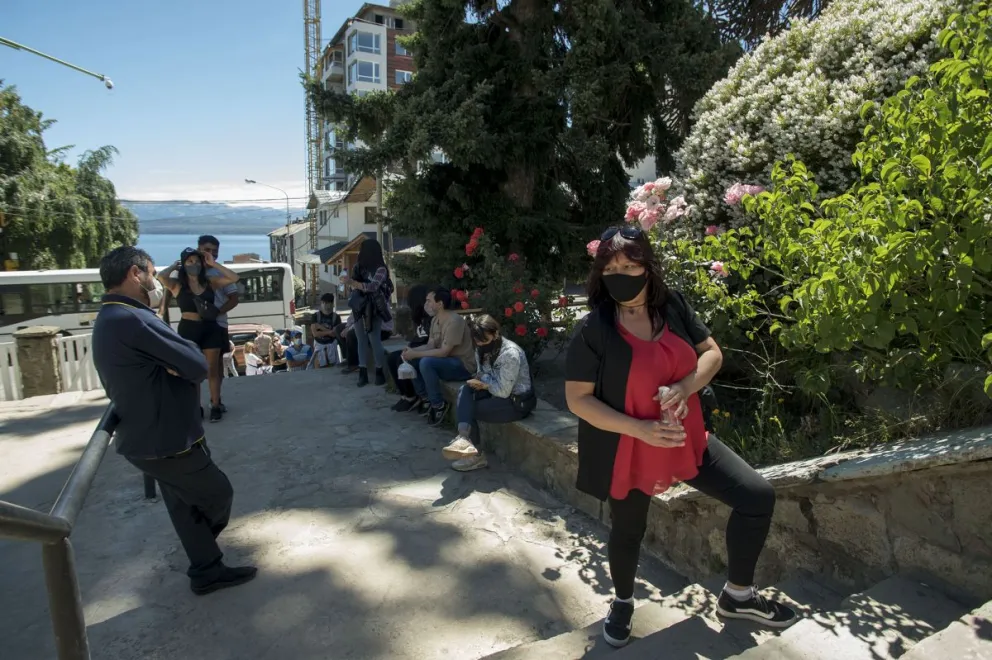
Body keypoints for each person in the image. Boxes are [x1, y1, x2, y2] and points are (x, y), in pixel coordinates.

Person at [564, 226, 797, 648]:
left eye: (629, 266)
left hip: (686, 438)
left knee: (756, 496)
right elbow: (577, 400)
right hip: (629, 449)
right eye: (610, 269)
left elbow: (712, 353)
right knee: (628, 531)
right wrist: (639, 428)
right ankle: (622, 602)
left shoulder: (671, 306)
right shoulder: (594, 329)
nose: (620, 275)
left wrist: (685, 387)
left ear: (647, 267)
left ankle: (738, 596)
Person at [91, 246, 257, 595]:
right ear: (135, 274)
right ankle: (205, 553)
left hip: (151, 436)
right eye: (151, 274)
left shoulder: (111, 317)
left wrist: (174, 364)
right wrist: (178, 363)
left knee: (184, 506)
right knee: (217, 493)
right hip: (167, 438)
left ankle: (206, 570)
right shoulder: (132, 319)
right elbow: (196, 365)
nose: (155, 283)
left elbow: (181, 363)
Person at [442, 315, 537, 472]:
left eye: (484, 340)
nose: (480, 344)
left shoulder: (510, 354)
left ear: (495, 334)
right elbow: (481, 374)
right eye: (477, 341)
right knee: (464, 391)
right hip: (494, 393)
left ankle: (476, 455)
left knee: (468, 409)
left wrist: (484, 382)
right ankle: (464, 438)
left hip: (515, 402)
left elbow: (503, 391)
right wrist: (480, 382)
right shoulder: (480, 349)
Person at [158, 248, 240, 423]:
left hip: (210, 326)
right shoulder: (177, 285)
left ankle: (215, 405)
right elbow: (160, 276)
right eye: (189, 261)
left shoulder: (210, 282)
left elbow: (234, 278)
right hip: (188, 329)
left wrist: (213, 264)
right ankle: (196, 407)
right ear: (184, 264)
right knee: (193, 370)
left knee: (212, 370)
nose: (193, 264)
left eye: (196, 261)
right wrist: (173, 266)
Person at [401, 287, 477, 426]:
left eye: (429, 301)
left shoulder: (455, 321)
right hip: (446, 361)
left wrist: (416, 354)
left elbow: (444, 352)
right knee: (413, 360)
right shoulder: (435, 320)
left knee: (426, 362)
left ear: (440, 304)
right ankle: (425, 398)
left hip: (462, 365)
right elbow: (430, 346)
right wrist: (411, 351)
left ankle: (438, 405)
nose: (426, 304)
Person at [341, 239, 393, 387]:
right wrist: (351, 284)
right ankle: (363, 372)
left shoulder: (381, 269)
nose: (360, 253)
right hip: (359, 306)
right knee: (360, 339)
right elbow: (355, 287)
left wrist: (352, 283)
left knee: (373, 338)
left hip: (374, 307)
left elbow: (373, 287)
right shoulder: (358, 267)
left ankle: (379, 371)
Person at [199, 235, 240, 415]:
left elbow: (234, 299)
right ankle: (198, 405)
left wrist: (217, 311)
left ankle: (215, 401)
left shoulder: (220, 273)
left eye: (215, 252)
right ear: (199, 249)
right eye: (207, 250)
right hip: (195, 325)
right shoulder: (189, 271)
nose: (211, 254)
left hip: (217, 324)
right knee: (196, 367)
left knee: (215, 367)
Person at [388, 284, 432, 412]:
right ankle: (405, 394)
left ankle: (412, 396)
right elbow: (416, 339)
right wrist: (409, 348)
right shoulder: (419, 318)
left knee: (402, 360)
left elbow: (429, 342)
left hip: (427, 351)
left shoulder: (430, 318)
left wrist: (413, 351)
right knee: (392, 358)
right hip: (417, 349)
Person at [311, 293, 342, 368]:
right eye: (323, 302)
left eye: (327, 303)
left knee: (333, 369)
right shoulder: (315, 316)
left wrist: (320, 327)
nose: (324, 305)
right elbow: (315, 334)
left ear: (331, 304)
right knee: (318, 368)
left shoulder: (336, 317)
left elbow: (335, 334)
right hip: (319, 346)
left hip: (332, 346)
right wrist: (329, 332)